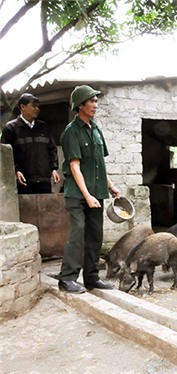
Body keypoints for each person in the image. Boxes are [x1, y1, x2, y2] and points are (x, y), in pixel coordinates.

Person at [57, 85, 121, 293]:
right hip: (77, 195)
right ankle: (66, 278)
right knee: (78, 234)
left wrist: (111, 186)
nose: (95, 104)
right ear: (80, 105)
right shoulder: (71, 132)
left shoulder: (95, 130)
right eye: (91, 101)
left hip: (97, 192)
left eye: (96, 101)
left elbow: (98, 164)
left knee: (95, 236)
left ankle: (92, 278)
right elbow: (75, 166)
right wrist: (87, 195)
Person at [1, 93, 61, 193]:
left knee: (45, 207)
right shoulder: (11, 128)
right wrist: (16, 171)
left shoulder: (44, 127)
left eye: (38, 106)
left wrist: (54, 169)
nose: (37, 109)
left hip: (43, 180)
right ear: (22, 107)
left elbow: (52, 149)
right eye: (33, 106)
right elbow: (5, 155)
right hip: (23, 180)